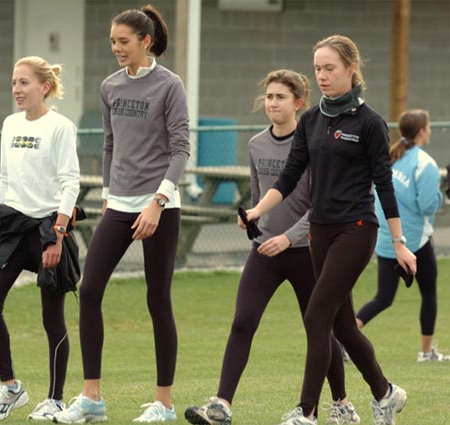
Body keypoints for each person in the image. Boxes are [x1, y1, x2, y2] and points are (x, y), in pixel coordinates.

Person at [242, 35, 417, 425]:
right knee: (342, 326)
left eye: (329, 68)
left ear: (351, 70)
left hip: (355, 229)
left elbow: (384, 185)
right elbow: (289, 177)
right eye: (317, 68)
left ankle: (306, 412)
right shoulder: (311, 121)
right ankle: (386, 393)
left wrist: (401, 244)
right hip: (318, 231)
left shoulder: (370, 123)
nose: (321, 75)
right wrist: (256, 209)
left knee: (316, 314)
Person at [184, 69, 360, 425]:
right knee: (243, 322)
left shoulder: (314, 145)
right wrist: (250, 218)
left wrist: (289, 237)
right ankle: (222, 404)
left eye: (280, 97)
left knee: (320, 330)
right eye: (268, 97)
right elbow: (258, 194)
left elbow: (320, 207)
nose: (272, 103)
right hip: (265, 252)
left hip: (307, 252)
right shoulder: (255, 144)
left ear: (298, 103)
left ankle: (341, 404)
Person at [54, 5, 190, 424]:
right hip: (120, 203)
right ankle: (91, 398)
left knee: (157, 298)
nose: (116, 48)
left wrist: (158, 202)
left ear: (145, 42)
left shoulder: (170, 85)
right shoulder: (110, 86)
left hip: (160, 205)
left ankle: (164, 404)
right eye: (113, 41)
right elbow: (110, 145)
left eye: (124, 42)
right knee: (90, 289)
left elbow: (181, 149)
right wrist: (111, 196)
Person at [0, 56, 80, 421]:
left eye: (24, 83)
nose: (16, 89)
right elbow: (4, 178)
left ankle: (55, 398)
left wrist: (58, 236)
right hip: (12, 228)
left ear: (44, 87)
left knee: (53, 319)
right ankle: (11, 387)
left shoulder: (61, 126)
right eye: (14, 83)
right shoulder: (9, 124)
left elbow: (70, 183)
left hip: (49, 230)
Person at [355, 109, 448, 362]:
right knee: (428, 292)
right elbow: (428, 206)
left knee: (383, 297)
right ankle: (426, 352)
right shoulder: (424, 163)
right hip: (414, 240)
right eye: (428, 128)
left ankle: (345, 337)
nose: (429, 131)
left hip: (387, 238)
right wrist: (444, 193)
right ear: (421, 132)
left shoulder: (392, 156)